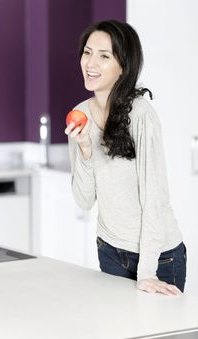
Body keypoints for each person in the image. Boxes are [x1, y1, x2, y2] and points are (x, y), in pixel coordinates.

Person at [65, 19, 186, 295]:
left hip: (160, 258)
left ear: (123, 66)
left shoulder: (141, 116)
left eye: (104, 56)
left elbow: (154, 198)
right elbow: (84, 201)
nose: (91, 62)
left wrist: (147, 272)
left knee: (154, 338)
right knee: (112, 337)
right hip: (110, 251)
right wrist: (85, 149)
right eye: (87, 52)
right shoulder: (79, 115)